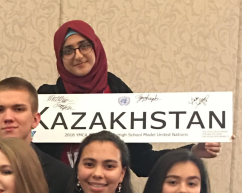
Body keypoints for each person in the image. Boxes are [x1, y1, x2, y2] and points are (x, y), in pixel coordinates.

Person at [36, 20, 221, 177]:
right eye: (67, 50)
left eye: (84, 45)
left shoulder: (119, 95)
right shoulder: (47, 99)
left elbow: (142, 162)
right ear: (59, 58)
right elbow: (32, 159)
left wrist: (193, 151)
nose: (77, 55)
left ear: (96, 47)